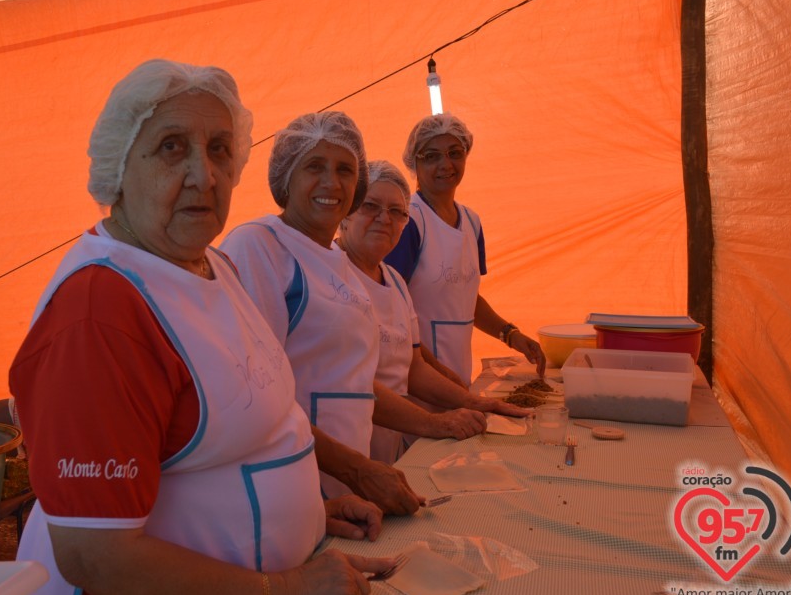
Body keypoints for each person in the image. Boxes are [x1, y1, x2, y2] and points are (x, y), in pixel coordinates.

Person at [9, 60, 393, 595]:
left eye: (218, 149)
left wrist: (309, 514)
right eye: (171, 147)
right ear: (119, 169)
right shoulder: (99, 315)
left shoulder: (211, 265)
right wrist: (284, 594)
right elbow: (97, 559)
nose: (204, 175)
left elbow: (252, 419)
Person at [220, 112, 423, 512]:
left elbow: (353, 383)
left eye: (345, 170)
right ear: (286, 177)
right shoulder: (259, 246)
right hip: (289, 488)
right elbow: (257, 397)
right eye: (315, 166)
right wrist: (357, 471)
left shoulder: (336, 262)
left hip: (342, 487)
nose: (332, 183)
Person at [338, 160, 531, 463]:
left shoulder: (395, 283)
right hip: (341, 456)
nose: (384, 219)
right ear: (345, 213)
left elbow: (413, 368)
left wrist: (475, 402)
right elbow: (347, 383)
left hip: (386, 447)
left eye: (397, 212)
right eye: (370, 206)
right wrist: (434, 423)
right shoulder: (329, 276)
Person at [384, 113, 546, 385]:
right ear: (414, 163)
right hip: (417, 381)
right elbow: (388, 310)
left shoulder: (471, 221)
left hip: (457, 375)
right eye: (432, 156)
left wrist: (510, 334)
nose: (445, 164)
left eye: (454, 153)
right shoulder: (409, 220)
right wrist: (435, 372)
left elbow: (465, 297)